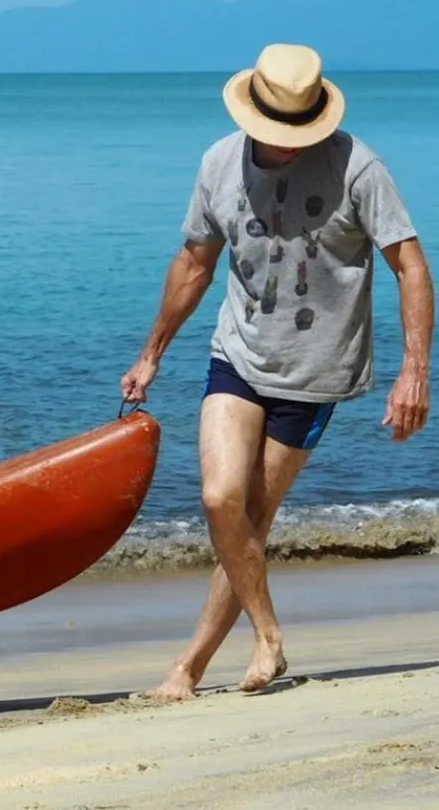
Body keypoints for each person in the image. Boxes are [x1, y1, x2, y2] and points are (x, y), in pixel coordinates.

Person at [120, 42, 433, 700]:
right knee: (218, 500)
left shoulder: (358, 167)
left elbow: (409, 264)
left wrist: (414, 371)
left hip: (315, 372)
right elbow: (194, 264)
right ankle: (268, 636)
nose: (284, 143)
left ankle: (188, 670)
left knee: (250, 518)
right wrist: (150, 353)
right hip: (235, 353)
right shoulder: (217, 163)